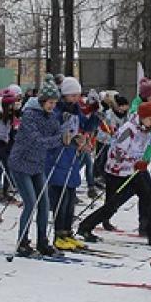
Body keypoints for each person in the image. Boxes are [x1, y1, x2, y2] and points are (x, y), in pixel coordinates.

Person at [77, 102, 151, 246]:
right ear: (142, 117)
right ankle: (85, 227)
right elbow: (116, 153)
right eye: (150, 119)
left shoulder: (146, 129)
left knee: (148, 198)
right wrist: (134, 162)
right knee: (112, 205)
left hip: (135, 171)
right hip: (117, 172)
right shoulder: (128, 130)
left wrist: (140, 162)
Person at [8, 79, 63, 257]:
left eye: (55, 103)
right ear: (41, 101)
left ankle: (42, 241)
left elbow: (58, 135)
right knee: (31, 203)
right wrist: (60, 140)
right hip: (21, 163)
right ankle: (22, 242)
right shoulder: (29, 116)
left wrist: (74, 140)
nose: (52, 106)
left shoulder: (52, 117)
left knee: (44, 203)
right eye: (50, 103)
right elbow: (37, 141)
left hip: (37, 165)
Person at [47, 76, 97, 251]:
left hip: (72, 157)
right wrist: (66, 130)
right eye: (73, 95)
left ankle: (67, 232)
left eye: (78, 95)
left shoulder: (76, 110)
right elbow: (53, 131)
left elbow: (85, 126)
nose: (77, 98)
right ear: (65, 95)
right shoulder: (56, 110)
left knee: (70, 198)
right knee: (61, 198)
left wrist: (96, 117)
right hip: (58, 157)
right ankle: (58, 234)